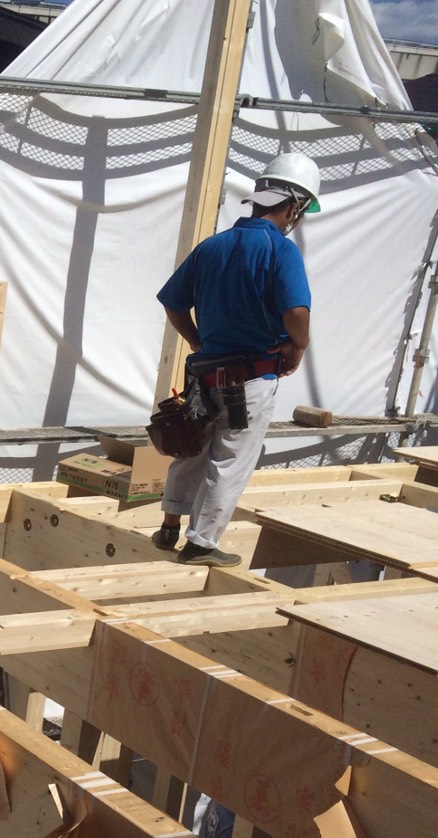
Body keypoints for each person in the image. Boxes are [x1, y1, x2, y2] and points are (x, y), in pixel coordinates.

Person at [151, 152, 320, 567]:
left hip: (205, 375)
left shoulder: (212, 246)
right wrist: (298, 346)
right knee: (230, 460)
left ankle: (169, 526)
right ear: (293, 206)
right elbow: (297, 312)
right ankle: (201, 545)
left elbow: (173, 303)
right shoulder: (280, 250)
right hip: (250, 379)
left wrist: (198, 341)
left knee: (192, 447)